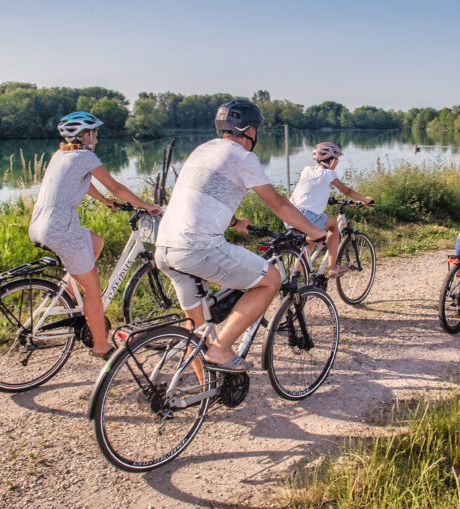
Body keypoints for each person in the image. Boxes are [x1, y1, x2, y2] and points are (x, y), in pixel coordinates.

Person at [155, 99, 326, 373]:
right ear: (248, 130)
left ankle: (208, 386)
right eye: (256, 128)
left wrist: (234, 222)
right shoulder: (243, 157)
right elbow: (278, 204)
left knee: (198, 332)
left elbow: (201, 194)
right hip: (198, 247)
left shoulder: (203, 150)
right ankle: (222, 348)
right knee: (271, 280)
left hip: (165, 247)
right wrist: (314, 231)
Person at [28, 111, 162, 359]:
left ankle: (68, 296)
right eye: (95, 134)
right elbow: (116, 187)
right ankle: (101, 345)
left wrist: (103, 200)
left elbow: (83, 182)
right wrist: (146, 206)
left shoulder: (60, 155)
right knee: (92, 289)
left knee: (96, 242)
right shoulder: (85, 155)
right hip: (61, 228)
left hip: (39, 224)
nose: (97, 140)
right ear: (85, 135)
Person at [288, 141, 373, 277]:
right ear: (332, 160)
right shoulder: (329, 174)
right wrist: (365, 200)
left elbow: (311, 189)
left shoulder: (306, 169)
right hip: (307, 216)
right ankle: (333, 268)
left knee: (311, 239)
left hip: (289, 214)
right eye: (337, 160)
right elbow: (347, 191)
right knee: (333, 225)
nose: (337, 163)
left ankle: (296, 274)